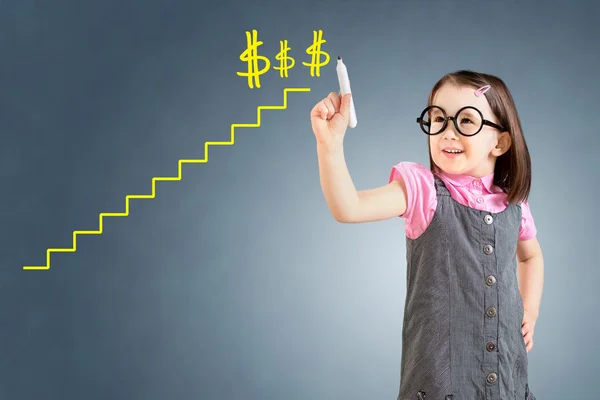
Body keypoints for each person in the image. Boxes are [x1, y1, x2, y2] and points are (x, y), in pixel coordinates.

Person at [310, 70, 544, 400]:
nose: (447, 132)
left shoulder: (514, 204)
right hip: (439, 384)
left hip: (508, 380)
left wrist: (529, 312)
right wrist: (329, 146)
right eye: (438, 119)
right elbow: (348, 207)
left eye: (466, 121)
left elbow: (531, 256)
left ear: (500, 142)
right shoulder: (422, 190)